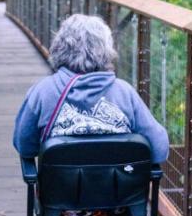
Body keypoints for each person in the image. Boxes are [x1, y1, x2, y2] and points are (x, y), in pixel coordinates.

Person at [13, 13, 169, 163]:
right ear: (106, 50)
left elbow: (25, 147)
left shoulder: (43, 91)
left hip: (60, 189)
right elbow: (160, 150)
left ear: (60, 47)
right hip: (117, 189)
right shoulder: (124, 93)